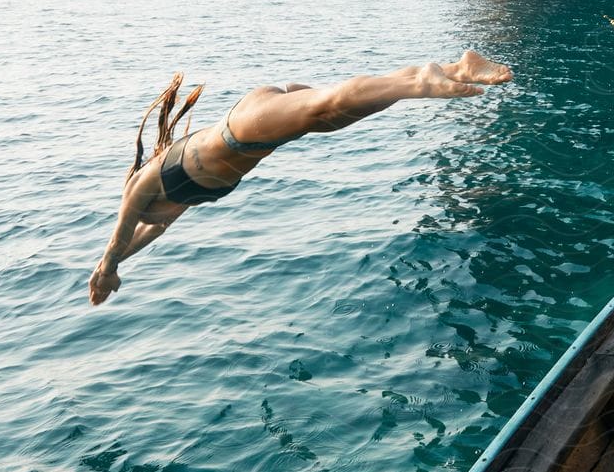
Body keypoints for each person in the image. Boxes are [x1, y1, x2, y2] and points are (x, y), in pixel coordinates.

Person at [88, 51, 513, 305]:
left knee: (325, 106)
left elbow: (124, 224)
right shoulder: (170, 206)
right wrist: (118, 264)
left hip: (242, 127)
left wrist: (106, 265)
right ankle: (455, 68)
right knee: (335, 117)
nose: (153, 223)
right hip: (257, 136)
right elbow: (146, 232)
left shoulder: (145, 184)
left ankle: (425, 76)